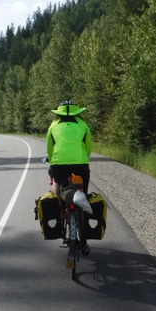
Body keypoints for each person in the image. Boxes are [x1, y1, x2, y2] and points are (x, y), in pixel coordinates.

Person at [46, 99, 93, 254]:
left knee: (57, 193)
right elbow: (88, 147)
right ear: (76, 112)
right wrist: (83, 159)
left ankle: (59, 219)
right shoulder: (83, 125)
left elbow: (49, 148)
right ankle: (84, 241)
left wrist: (52, 162)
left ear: (59, 113)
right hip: (80, 164)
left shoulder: (53, 125)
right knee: (83, 197)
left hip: (58, 165)